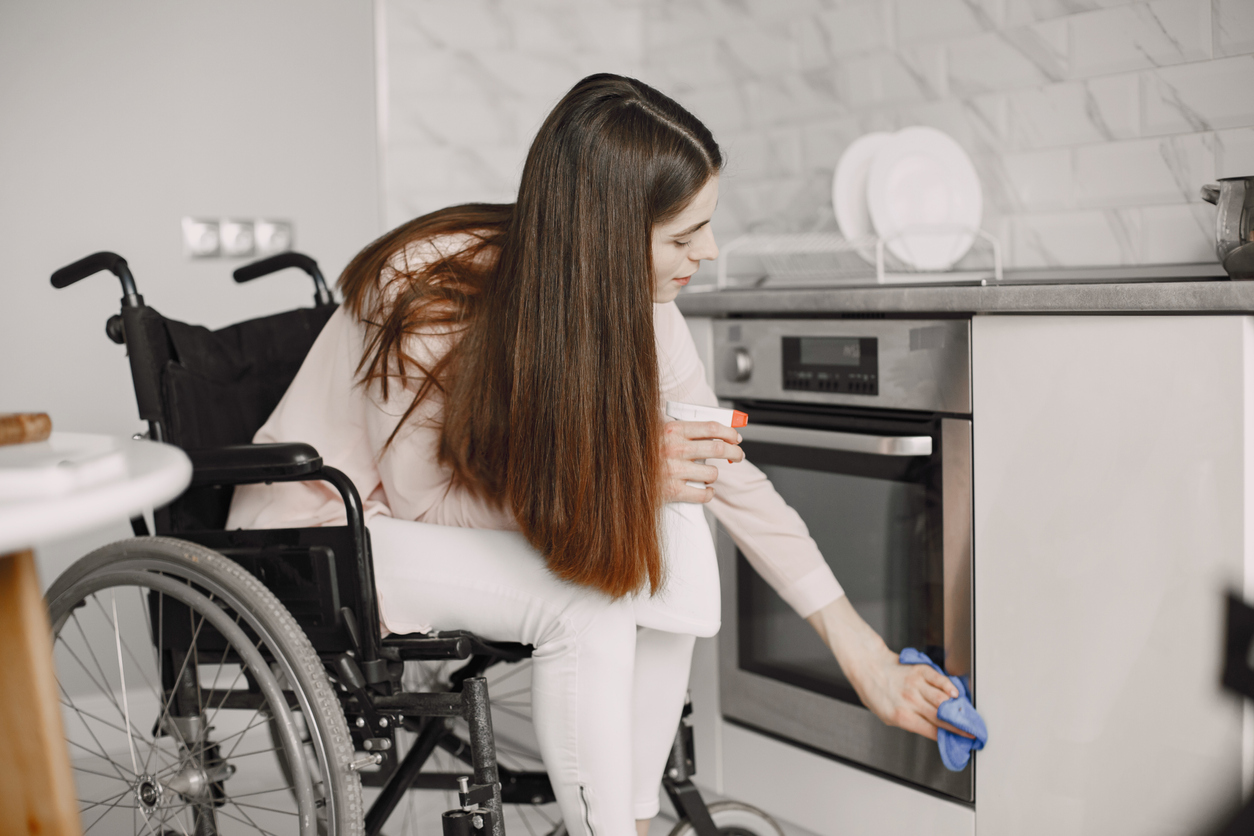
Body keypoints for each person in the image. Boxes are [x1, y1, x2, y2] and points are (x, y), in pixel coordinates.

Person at [227, 73, 963, 836]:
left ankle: (630, 820)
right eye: (683, 236)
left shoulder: (643, 308)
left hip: (425, 530)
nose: (708, 253)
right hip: (325, 533)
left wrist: (867, 658)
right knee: (587, 598)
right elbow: (427, 507)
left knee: (661, 532)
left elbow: (728, 476)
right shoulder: (423, 288)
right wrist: (616, 479)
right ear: (605, 237)